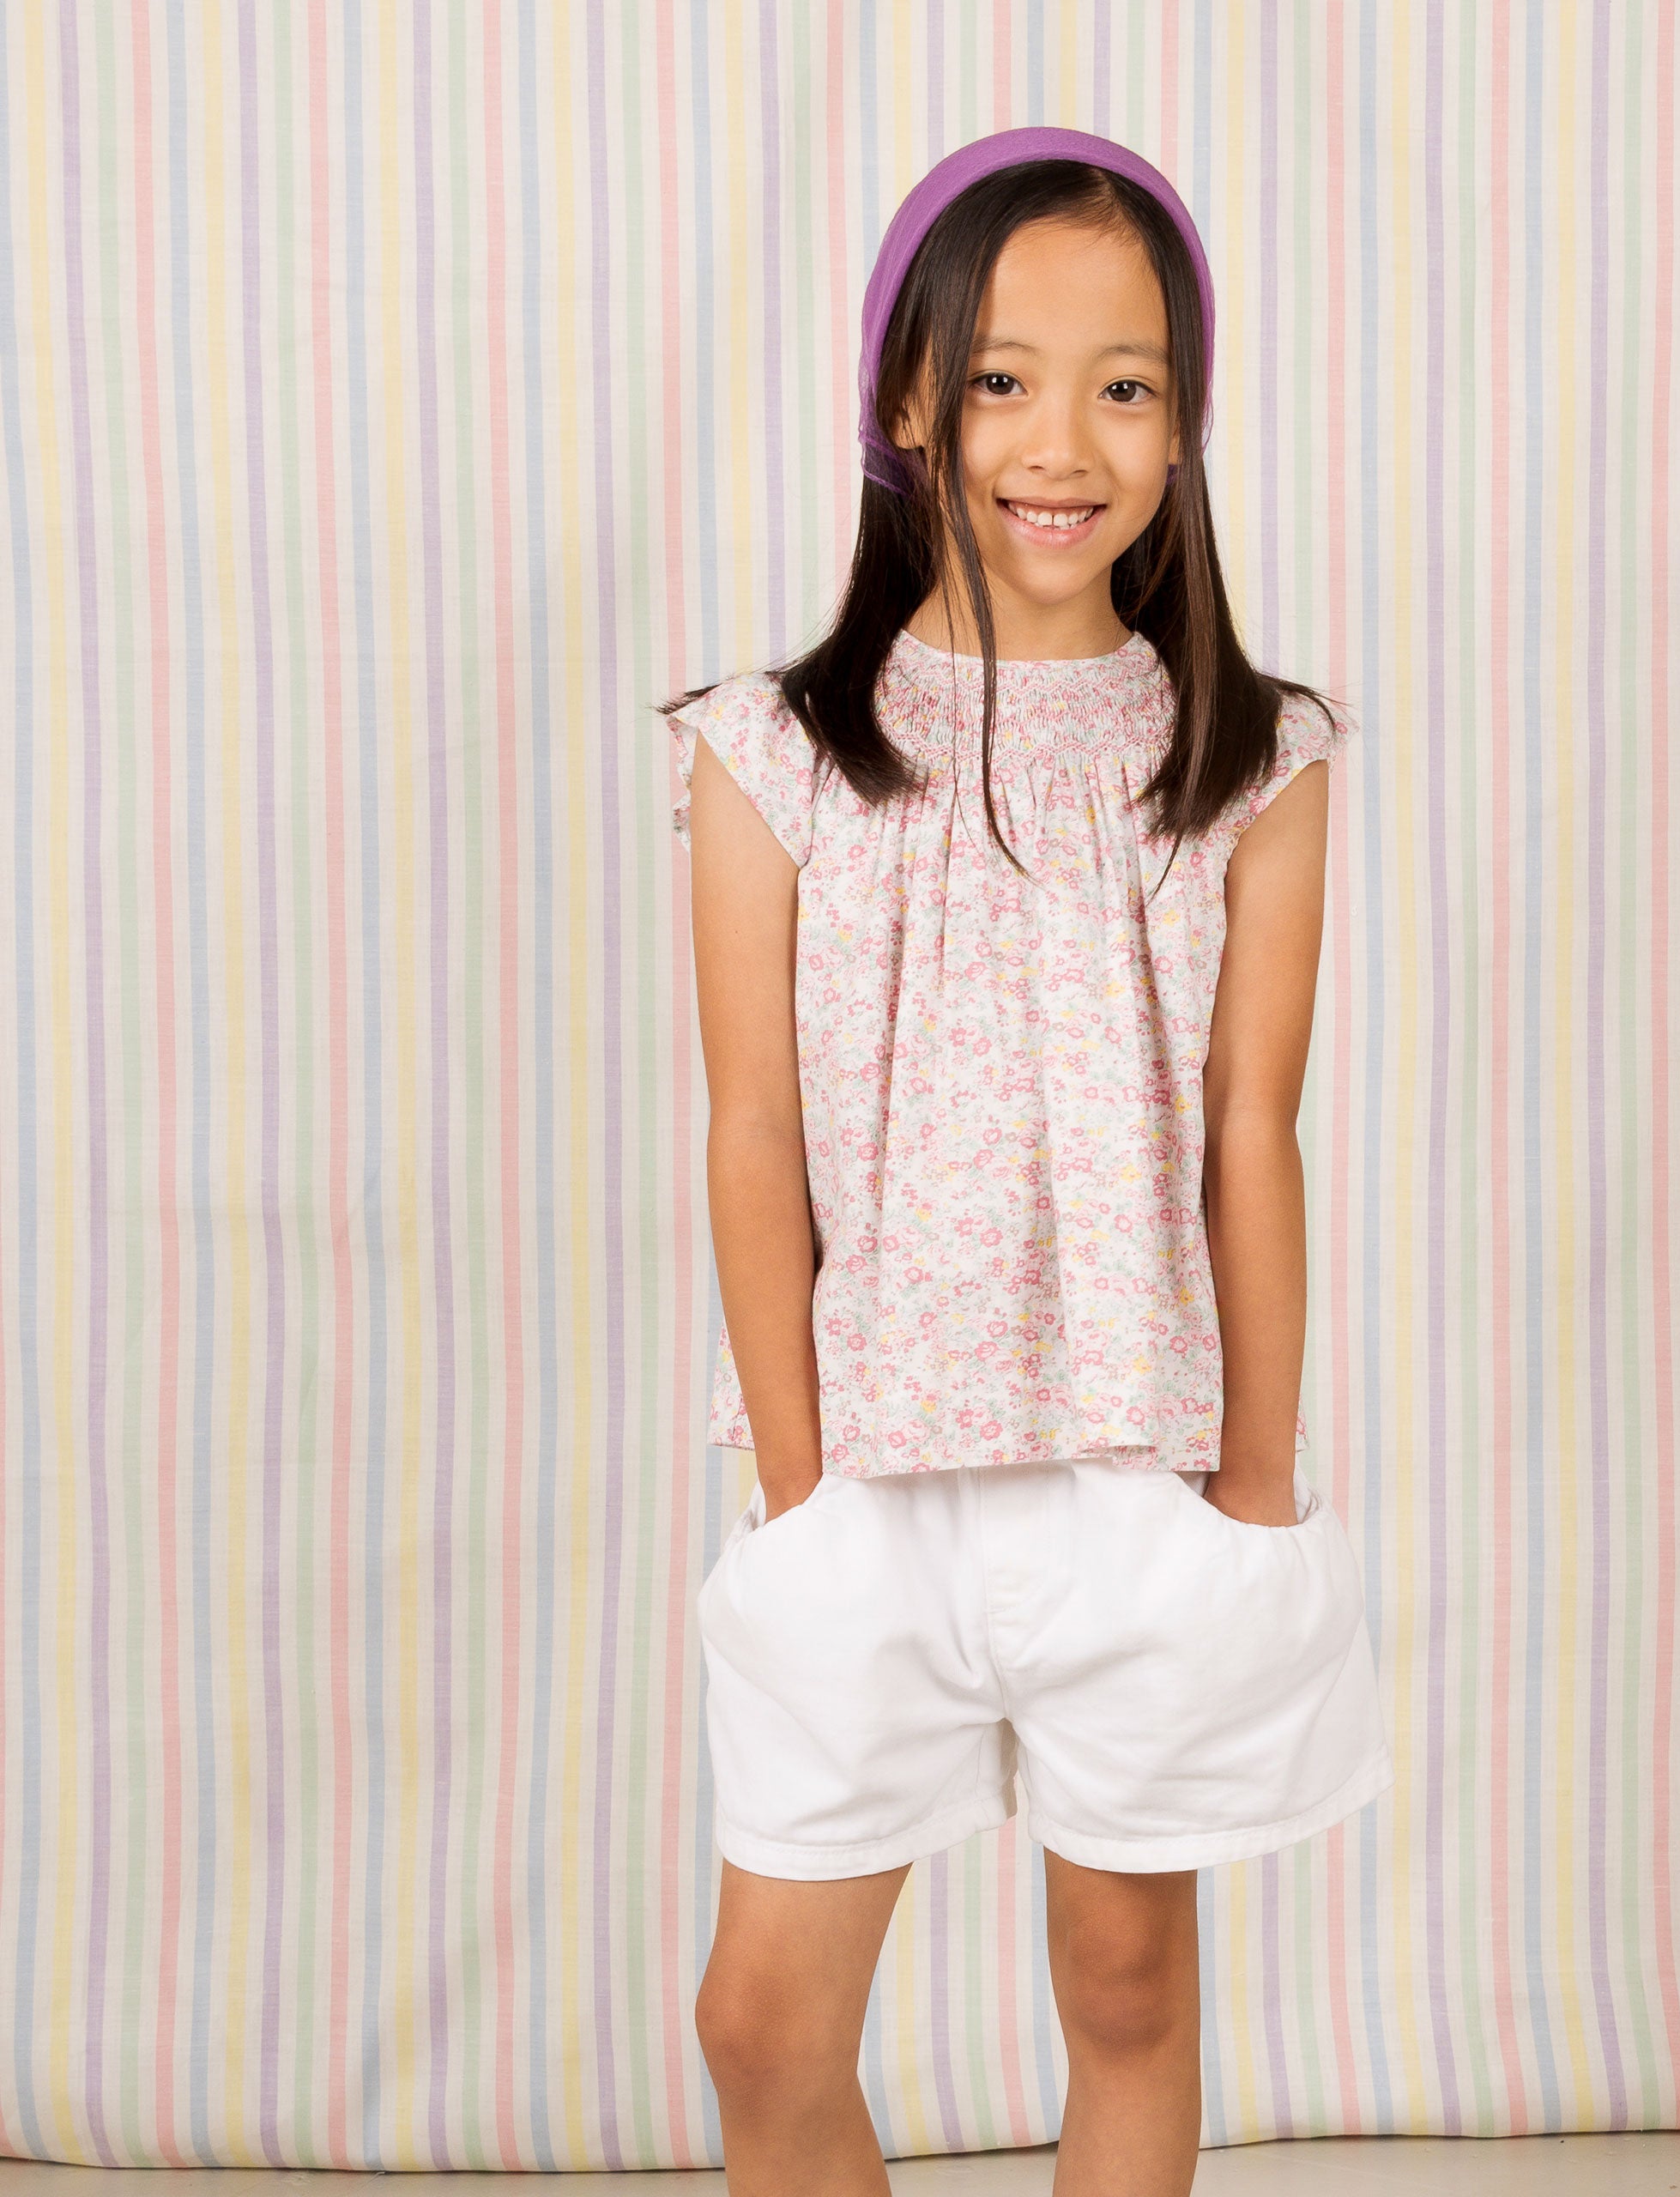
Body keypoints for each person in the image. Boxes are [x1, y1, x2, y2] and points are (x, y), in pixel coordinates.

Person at [657, 125, 1394, 2197]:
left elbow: (1255, 1122)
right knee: (762, 2014)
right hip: (866, 1471)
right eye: (999, 375)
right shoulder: (767, 751)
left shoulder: (1254, 757)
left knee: (1128, 1979)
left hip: (1134, 1469)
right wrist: (795, 1481)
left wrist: (1250, 1474)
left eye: (1126, 380)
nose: (1059, 435)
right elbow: (753, 1127)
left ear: (1183, 423)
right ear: (907, 400)